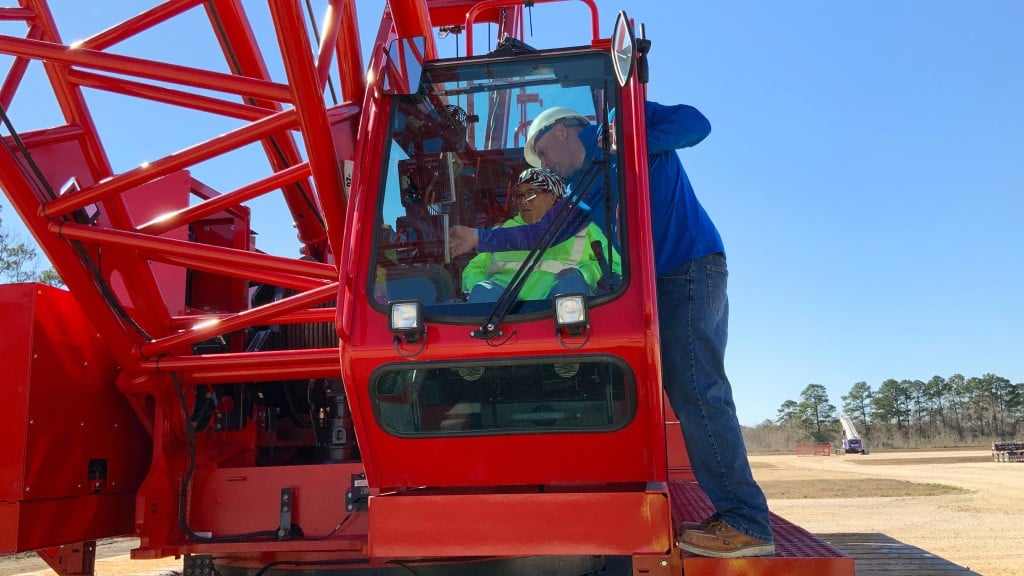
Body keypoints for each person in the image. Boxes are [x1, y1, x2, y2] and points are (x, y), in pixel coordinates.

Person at [448, 103, 775, 558]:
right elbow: (542, 234)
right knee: (688, 393)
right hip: (656, 282)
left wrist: (629, 147)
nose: (545, 166)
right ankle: (734, 516)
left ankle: (748, 524)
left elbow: (698, 125)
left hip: (688, 268)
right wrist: (479, 240)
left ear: (564, 131)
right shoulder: (587, 189)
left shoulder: (624, 123)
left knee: (700, 392)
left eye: (543, 152)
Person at [461, 167, 618, 302]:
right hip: (501, 320)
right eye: (519, 196)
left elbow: (617, 267)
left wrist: (585, 274)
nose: (523, 201)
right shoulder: (499, 233)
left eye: (530, 193)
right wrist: (482, 285)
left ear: (553, 196)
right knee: (484, 291)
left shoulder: (585, 228)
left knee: (572, 282)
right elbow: (473, 269)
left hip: (564, 318)